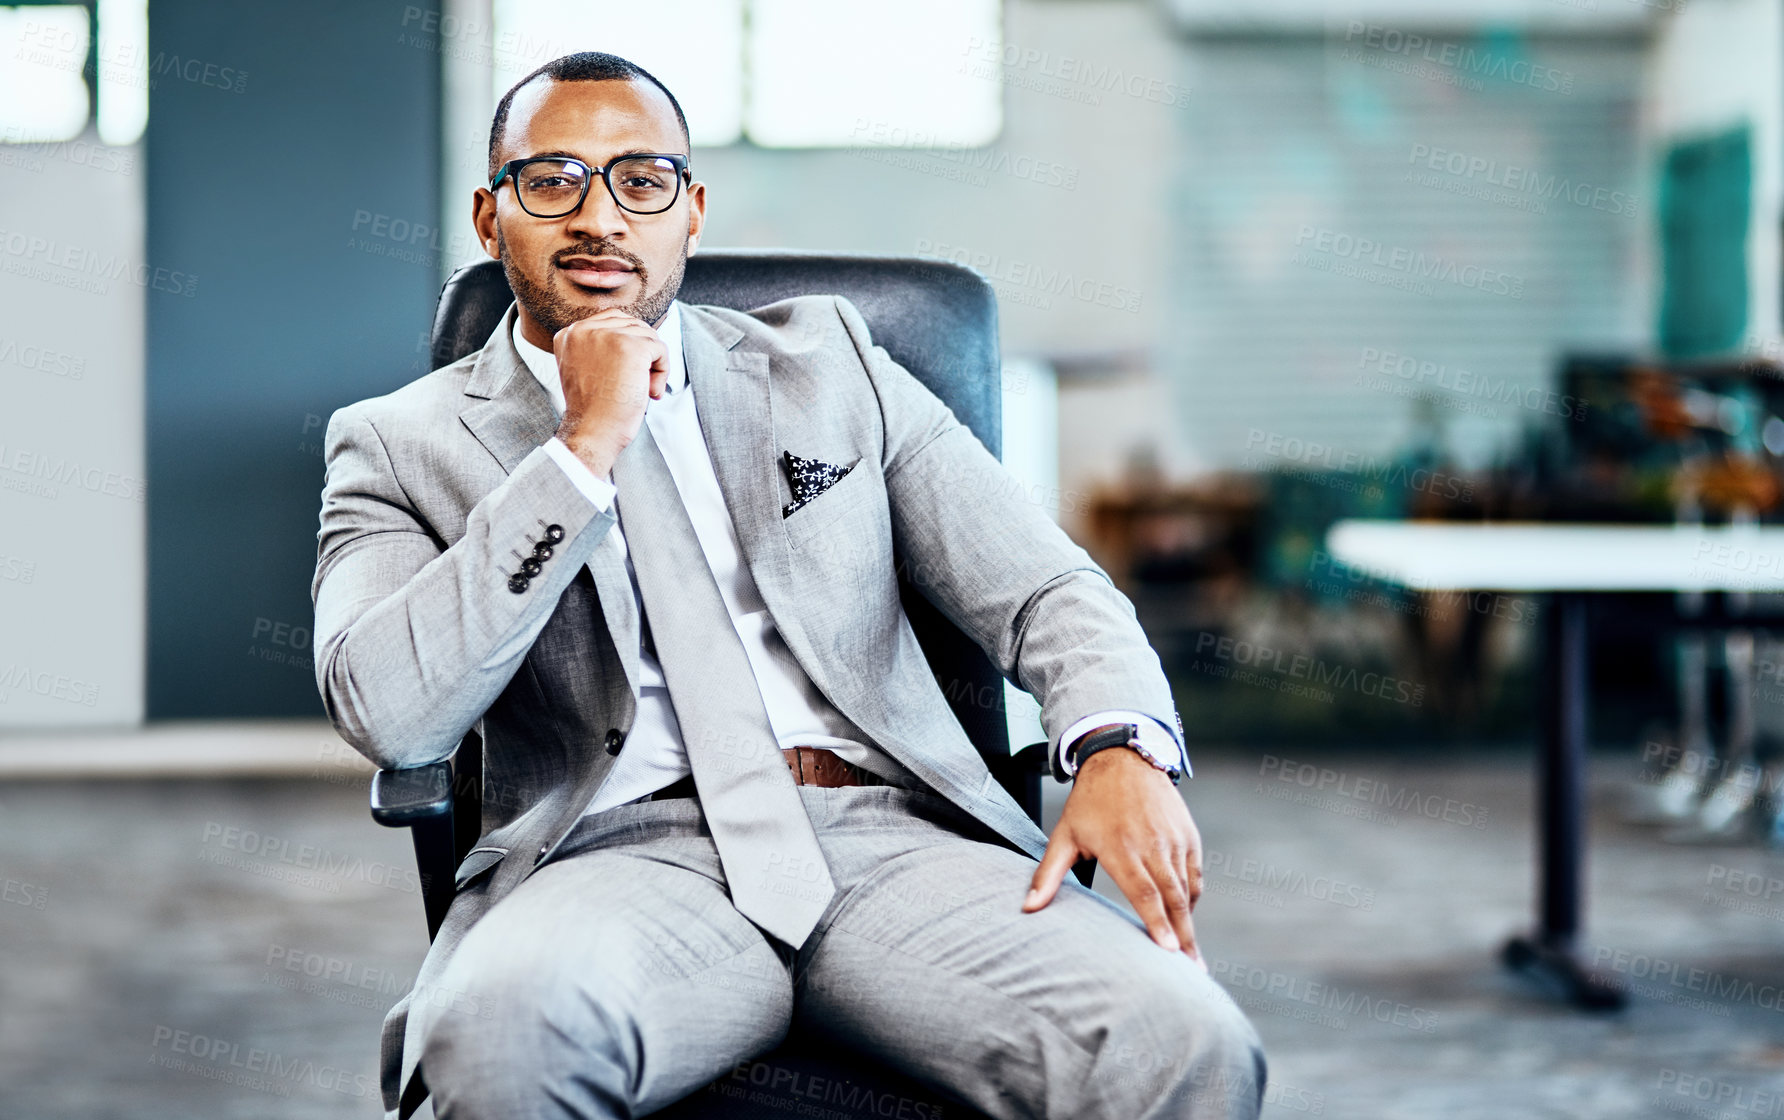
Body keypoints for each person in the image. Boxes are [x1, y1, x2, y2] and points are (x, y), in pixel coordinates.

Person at [311, 50, 1264, 1120]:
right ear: (491, 221)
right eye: (551, 181)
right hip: (618, 855)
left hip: (889, 843)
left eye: (640, 180)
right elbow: (391, 711)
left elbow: (1043, 586)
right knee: (499, 1036)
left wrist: (1116, 741)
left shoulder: (831, 365)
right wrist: (579, 450)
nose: (599, 217)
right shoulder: (396, 443)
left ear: (691, 209)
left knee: (1181, 1040)